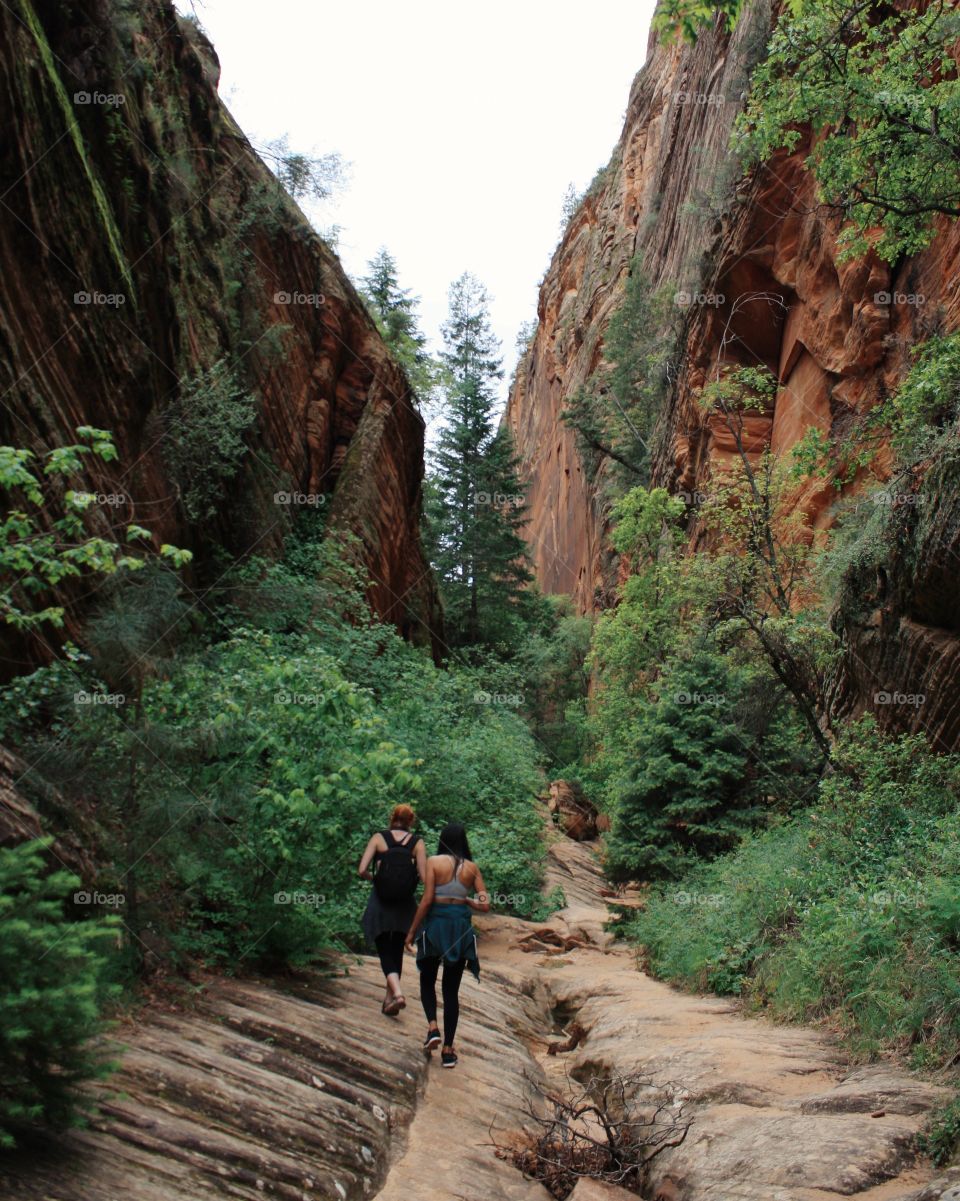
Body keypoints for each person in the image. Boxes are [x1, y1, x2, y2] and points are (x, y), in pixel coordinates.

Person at [405, 823, 489, 1069]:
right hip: (459, 928)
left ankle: (432, 1027)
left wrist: (411, 931)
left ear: (442, 840)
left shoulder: (433, 861)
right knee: (451, 991)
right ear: (464, 841)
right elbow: (485, 905)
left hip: (436, 925)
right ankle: (449, 1050)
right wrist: (467, 900)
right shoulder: (471, 868)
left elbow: (428, 898)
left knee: (427, 980)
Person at [358, 804, 427, 1015]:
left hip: (380, 899)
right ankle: (390, 999)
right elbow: (424, 879)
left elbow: (361, 870)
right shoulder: (417, 843)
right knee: (396, 947)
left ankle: (395, 994)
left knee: (382, 945)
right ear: (411, 821)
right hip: (404, 903)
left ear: (392, 818)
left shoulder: (379, 838)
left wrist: (376, 879)